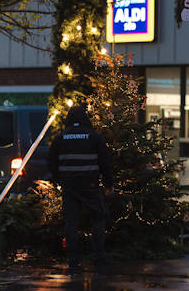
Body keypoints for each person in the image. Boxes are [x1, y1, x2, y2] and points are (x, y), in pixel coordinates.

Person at [48, 105, 114, 274]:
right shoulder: (94, 136)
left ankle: (73, 259)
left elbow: (51, 163)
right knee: (98, 218)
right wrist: (108, 183)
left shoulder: (60, 137)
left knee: (71, 222)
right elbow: (105, 162)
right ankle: (99, 257)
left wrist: (58, 180)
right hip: (90, 185)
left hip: (69, 186)